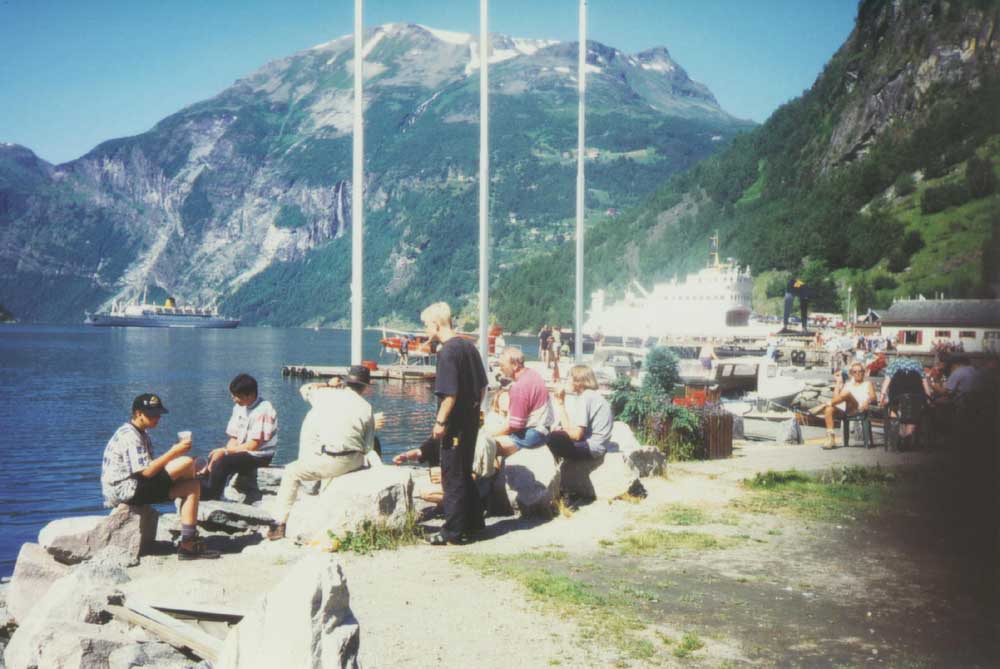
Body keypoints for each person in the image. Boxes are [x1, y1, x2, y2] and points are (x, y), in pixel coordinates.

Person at [267, 366, 381, 540]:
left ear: (344, 381)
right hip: (354, 460)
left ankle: (279, 523)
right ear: (366, 386)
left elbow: (305, 388)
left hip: (331, 460)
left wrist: (327, 384)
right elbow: (367, 447)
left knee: (291, 472)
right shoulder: (367, 407)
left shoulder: (326, 395)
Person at [101, 393, 220, 560]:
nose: (156, 418)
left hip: (135, 486)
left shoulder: (141, 433)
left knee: (192, 487)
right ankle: (201, 480)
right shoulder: (130, 435)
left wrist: (174, 457)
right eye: (151, 414)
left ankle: (188, 543)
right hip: (126, 490)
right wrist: (174, 452)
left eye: (158, 414)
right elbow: (147, 472)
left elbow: (149, 470)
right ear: (137, 414)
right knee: (185, 461)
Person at [422, 301, 488, 545]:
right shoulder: (469, 347)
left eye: (426, 325)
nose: (426, 331)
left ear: (437, 324)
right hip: (471, 420)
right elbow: (482, 387)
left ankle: (452, 532)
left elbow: (449, 394)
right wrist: (474, 411)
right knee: (464, 470)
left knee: (452, 475)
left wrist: (441, 421)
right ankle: (474, 522)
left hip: (455, 423)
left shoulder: (447, 351)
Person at [199, 374, 277, 501]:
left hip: (259, 455)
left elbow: (254, 445)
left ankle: (212, 494)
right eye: (233, 395)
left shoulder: (264, 409)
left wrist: (226, 453)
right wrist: (224, 452)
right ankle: (203, 485)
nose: (234, 399)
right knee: (214, 456)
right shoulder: (239, 408)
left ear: (250, 395)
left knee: (223, 462)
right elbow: (234, 438)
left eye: (237, 396)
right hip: (244, 450)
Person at [492, 348, 553, 457]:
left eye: (502, 366)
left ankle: (492, 473)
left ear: (514, 365)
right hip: (545, 430)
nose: (501, 370)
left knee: (485, 445)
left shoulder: (519, 388)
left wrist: (491, 435)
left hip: (533, 435)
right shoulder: (532, 374)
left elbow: (515, 426)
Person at [546, 365, 615, 461]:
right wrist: (560, 402)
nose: (567, 381)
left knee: (550, 437)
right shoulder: (590, 395)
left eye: (569, 378)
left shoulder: (586, 397)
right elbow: (570, 430)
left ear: (578, 382)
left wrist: (556, 433)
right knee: (557, 433)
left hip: (592, 447)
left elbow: (577, 435)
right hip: (596, 445)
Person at [821, 362, 876, 449]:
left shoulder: (867, 384)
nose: (857, 373)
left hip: (859, 409)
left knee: (847, 394)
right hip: (847, 410)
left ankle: (828, 403)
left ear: (863, 373)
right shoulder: (848, 385)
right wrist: (838, 383)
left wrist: (867, 401)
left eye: (860, 371)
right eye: (855, 372)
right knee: (829, 409)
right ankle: (831, 438)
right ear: (851, 374)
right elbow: (837, 398)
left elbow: (873, 397)